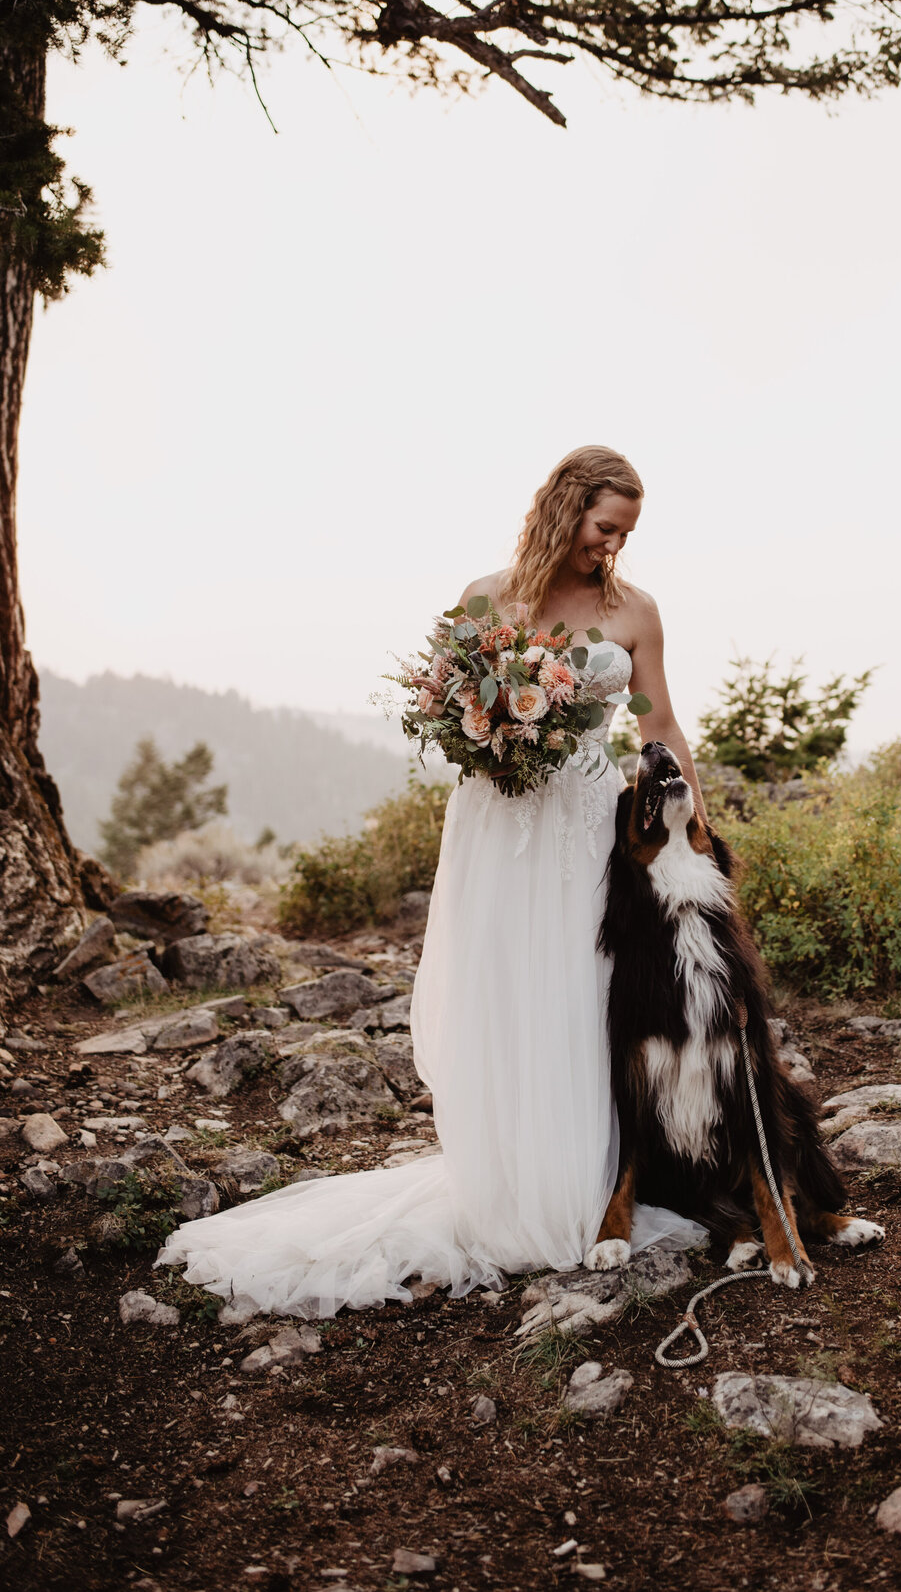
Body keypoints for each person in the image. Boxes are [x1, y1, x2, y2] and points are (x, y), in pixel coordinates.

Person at [156, 446, 706, 1318]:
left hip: (584, 822)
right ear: (567, 509)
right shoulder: (486, 597)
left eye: (625, 536)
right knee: (503, 989)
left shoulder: (633, 610)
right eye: (604, 529)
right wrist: (491, 736)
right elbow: (455, 711)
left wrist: (693, 833)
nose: (612, 549)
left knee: (582, 989)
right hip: (501, 823)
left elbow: (657, 717)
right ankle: (503, 1185)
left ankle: (580, 1187)